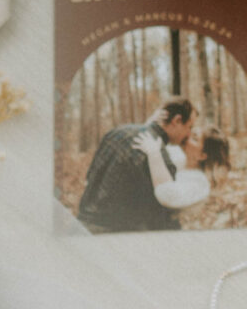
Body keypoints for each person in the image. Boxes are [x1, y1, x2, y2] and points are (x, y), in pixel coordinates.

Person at [73, 97, 193, 233]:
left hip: (80, 226)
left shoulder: (115, 133)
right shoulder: (159, 157)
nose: (189, 134)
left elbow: (90, 176)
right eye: (189, 127)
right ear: (177, 120)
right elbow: (163, 218)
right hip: (111, 235)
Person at [140, 124, 230, 215]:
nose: (187, 137)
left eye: (194, 139)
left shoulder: (199, 183)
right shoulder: (179, 156)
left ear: (202, 156)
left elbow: (166, 194)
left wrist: (154, 153)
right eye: (191, 132)